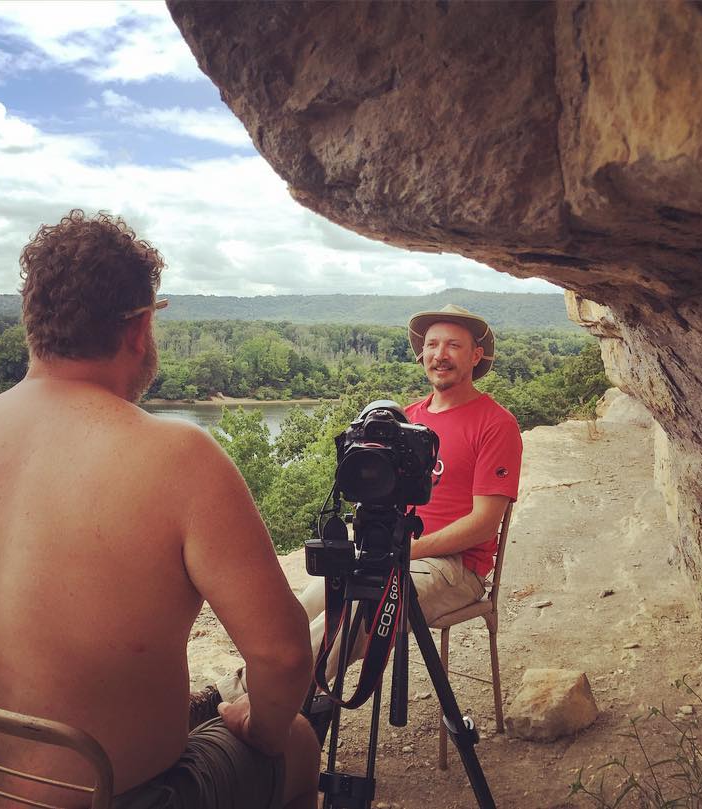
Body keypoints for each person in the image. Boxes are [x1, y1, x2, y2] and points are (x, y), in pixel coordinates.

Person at [0, 210, 318, 809]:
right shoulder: (178, 455)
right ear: (139, 327)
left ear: (34, 325)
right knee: (293, 741)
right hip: (106, 797)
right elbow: (284, 654)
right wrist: (257, 728)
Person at [202, 303, 522, 715]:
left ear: (475, 356)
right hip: (387, 552)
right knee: (302, 606)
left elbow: (483, 525)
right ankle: (238, 694)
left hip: (453, 567)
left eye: (454, 345)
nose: (440, 354)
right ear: (422, 354)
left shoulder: (495, 424)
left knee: (358, 608)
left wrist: (410, 549)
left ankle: (256, 707)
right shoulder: (408, 420)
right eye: (432, 345)